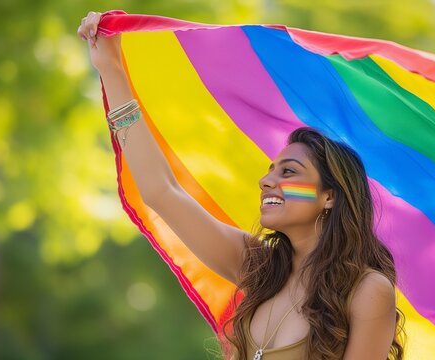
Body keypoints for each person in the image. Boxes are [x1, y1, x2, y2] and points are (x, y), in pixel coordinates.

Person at [78, 11, 404, 360]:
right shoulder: (258, 266)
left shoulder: (367, 291)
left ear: (329, 197)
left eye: (289, 172)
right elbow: (161, 192)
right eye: (270, 171)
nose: (267, 181)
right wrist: (111, 68)